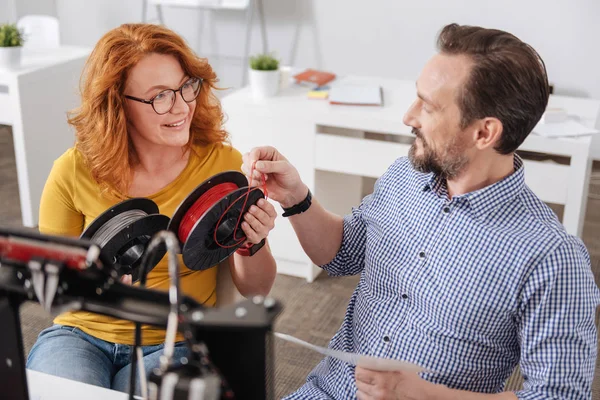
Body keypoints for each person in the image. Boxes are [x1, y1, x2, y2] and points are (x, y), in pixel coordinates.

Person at [243, 23, 600, 399]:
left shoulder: (552, 258)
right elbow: (343, 253)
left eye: (428, 106)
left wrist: (421, 394)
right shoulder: (404, 178)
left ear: (484, 133)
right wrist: (296, 198)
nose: (408, 116)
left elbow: (559, 395)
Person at [26, 23, 277, 393]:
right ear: (117, 105)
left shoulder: (223, 165)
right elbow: (50, 285)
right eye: (160, 96)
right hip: (81, 334)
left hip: (174, 338)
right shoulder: (72, 170)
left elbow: (256, 288)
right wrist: (97, 285)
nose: (181, 107)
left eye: (185, 87)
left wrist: (250, 241)